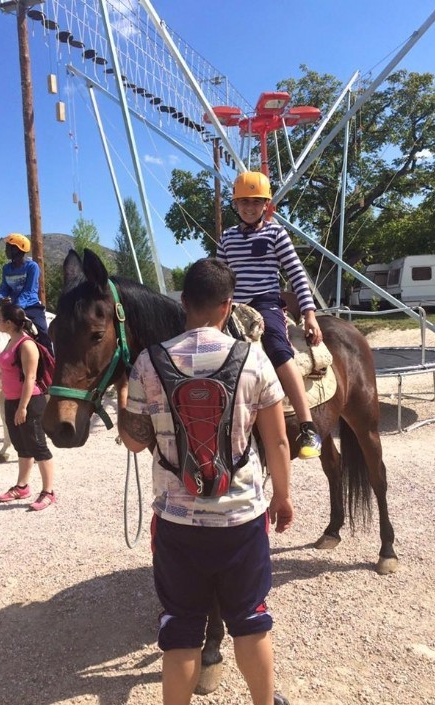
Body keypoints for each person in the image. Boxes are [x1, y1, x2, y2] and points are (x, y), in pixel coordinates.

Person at [119, 258, 294, 705]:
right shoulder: (252, 357)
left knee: (181, 628)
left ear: (183, 303)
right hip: (241, 518)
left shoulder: (147, 362)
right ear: (227, 305)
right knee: (252, 621)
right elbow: (276, 442)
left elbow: (135, 442)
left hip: (177, 522)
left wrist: (125, 393)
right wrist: (283, 496)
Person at [216, 171, 323, 460]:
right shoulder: (227, 238)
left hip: (265, 303)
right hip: (234, 306)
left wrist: (310, 314)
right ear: (235, 205)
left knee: (277, 347)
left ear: (266, 205)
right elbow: (218, 275)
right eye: (243, 202)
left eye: (256, 201)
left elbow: (297, 274)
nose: (249, 207)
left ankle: (307, 425)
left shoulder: (276, 233)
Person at [0, 303, 56, 511]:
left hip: (30, 403)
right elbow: (10, 370)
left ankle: (49, 491)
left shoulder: (26, 345)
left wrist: (23, 408)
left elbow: (30, 378)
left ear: (8, 323)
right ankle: (22, 486)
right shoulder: (10, 342)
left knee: (38, 446)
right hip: (12, 400)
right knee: (22, 446)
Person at [0, 233, 54, 355]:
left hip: (31, 306)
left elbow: (29, 290)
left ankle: (51, 359)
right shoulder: (6, 268)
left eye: (8, 247)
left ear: (18, 249)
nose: (6, 250)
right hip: (11, 307)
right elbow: (4, 287)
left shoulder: (32, 267)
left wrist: (15, 307)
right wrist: (1, 299)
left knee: (43, 332)